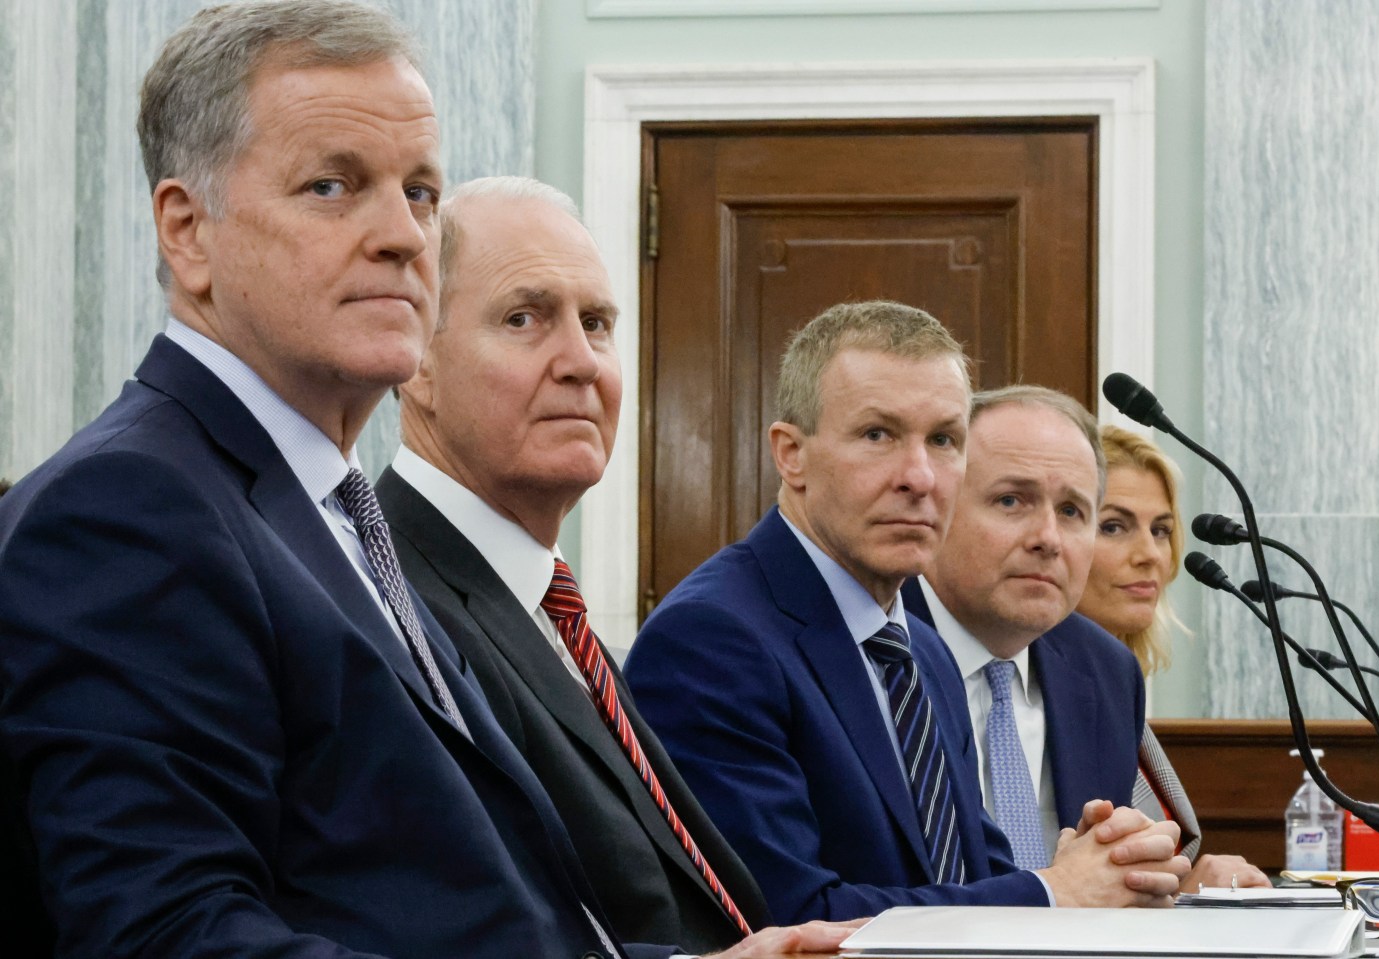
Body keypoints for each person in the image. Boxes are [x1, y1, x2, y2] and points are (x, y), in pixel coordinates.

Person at [0, 5, 854, 957]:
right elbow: (171, 933)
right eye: (333, 186)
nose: (404, 237)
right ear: (188, 230)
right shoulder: (125, 508)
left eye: (420, 193)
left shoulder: (334, 509)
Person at [625, 301, 1189, 926]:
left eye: (944, 440)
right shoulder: (711, 639)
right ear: (791, 454)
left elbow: (970, 879)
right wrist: (1055, 892)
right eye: (878, 435)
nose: (919, 477)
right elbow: (784, 917)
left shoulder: (918, 647)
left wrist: (1105, 866)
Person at [375, 176, 773, 953]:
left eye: (596, 323)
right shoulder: (384, 595)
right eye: (525, 318)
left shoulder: (549, 606)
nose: (581, 362)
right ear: (415, 362)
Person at [902, 386, 1145, 874]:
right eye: (1012, 500)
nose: (1048, 540)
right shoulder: (878, 648)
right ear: (937, 507)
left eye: (1072, 512)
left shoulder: (1106, 671)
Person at [1074, 424, 1268, 890]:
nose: (1150, 555)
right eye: (1114, 526)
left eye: (1160, 530)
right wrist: (1185, 891)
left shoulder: (1115, 682)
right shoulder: (1034, 690)